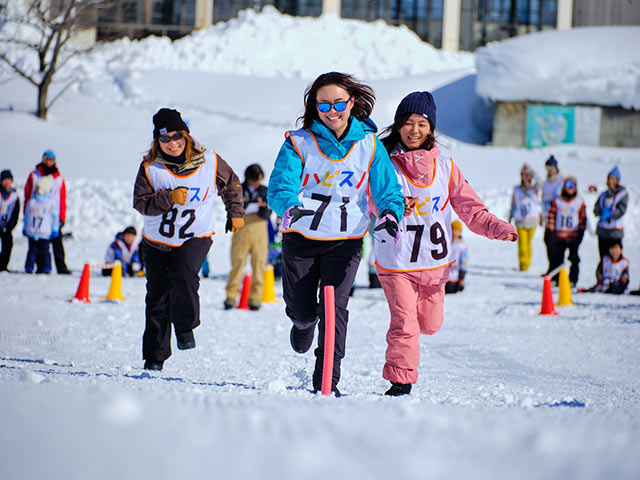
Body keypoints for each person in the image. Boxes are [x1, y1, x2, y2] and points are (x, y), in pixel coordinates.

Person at [267, 72, 405, 396]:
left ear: (352, 103)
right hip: (301, 240)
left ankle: (326, 382)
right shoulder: (299, 142)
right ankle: (302, 324)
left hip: (345, 242)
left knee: (334, 307)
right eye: (324, 104)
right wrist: (288, 206)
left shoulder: (369, 145)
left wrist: (389, 215)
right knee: (302, 310)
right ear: (314, 106)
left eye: (339, 103)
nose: (332, 110)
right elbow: (280, 185)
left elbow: (388, 190)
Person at [372, 91, 517, 396]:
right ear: (398, 125)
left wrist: (497, 228)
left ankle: (408, 355)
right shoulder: (383, 164)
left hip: (435, 265)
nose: (414, 130)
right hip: (396, 262)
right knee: (405, 324)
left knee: (430, 324)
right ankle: (401, 380)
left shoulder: (446, 166)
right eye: (408, 123)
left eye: (422, 124)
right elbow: (371, 199)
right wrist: (393, 205)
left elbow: (471, 209)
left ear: (431, 129)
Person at [133, 108, 244, 371]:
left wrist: (235, 212)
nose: (172, 143)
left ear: (186, 135)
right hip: (157, 241)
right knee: (157, 297)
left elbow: (231, 183)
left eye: (176, 136)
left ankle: (185, 327)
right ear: (157, 142)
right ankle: (155, 357)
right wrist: (168, 198)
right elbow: (140, 203)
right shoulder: (150, 167)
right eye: (165, 139)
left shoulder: (209, 160)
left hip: (195, 236)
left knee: (184, 274)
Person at [224, 163, 270, 311]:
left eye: (259, 180)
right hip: (242, 229)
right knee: (237, 263)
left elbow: (269, 212)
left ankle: (255, 298)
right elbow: (233, 206)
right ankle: (231, 296)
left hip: (259, 229)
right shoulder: (239, 189)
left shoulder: (264, 191)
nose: (257, 183)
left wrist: (264, 208)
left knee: (259, 263)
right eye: (255, 180)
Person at [24, 150, 71, 274]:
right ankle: (40, 267)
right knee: (38, 244)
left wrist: (61, 216)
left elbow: (62, 198)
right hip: (38, 213)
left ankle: (61, 267)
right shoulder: (34, 175)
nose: (48, 162)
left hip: (53, 214)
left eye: (51, 160)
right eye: (46, 159)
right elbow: (27, 195)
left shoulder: (59, 178)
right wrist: (26, 214)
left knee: (57, 243)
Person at [545, 176, 586, 286]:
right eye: (568, 185)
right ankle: (555, 278)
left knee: (574, 258)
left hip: (573, 236)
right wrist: (551, 231)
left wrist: (581, 233)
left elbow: (582, 219)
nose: (570, 189)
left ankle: (572, 280)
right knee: (557, 258)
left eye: (572, 186)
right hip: (559, 235)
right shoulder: (557, 201)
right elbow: (552, 216)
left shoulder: (579, 201)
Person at [509, 163, 542, 271]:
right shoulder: (517, 189)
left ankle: (527, 264)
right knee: (522, 244)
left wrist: (532, 172)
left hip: (532, 221)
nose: (526, 177)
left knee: (528, 244)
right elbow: (513, 204)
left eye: (528, 175)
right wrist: (510, 217)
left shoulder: (534, 189)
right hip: (520, 221)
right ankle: (523, 266)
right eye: (524, 174)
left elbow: (542, 183)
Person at [23, 175, 59, 274]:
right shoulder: (32, 202)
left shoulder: (50, 203)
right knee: (32, 251)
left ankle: (46, 268)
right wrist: (25, 227)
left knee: (45, 252)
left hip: (44, 232)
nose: (37, 189)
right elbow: (26, 216)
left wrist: (55, 229)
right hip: (32, 231)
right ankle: (29, 267)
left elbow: (55, 217)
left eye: (39, 187)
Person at [594, 166, 628, 260]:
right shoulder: (603, 195)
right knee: (603, 259)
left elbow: (622, 209)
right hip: (603, 232)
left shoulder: (622, 194)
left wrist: (610, 214)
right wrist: (600, 212)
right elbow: (596, 208)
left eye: (613, 179)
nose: (610, 181)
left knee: (614, 258)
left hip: (615, 232)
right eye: (609, 178)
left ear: (617, 180)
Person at [542, 156, 563, 274]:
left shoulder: (561, 181)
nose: (549, 170)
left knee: (554, 244)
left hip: (556, 219)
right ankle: (552, 268)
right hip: (547, 217)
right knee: (547, 241)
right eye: (547, 168)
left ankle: (557, 270)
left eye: (551, 168)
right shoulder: (546, 181)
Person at [0, 169, 20, 271]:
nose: (7, 182)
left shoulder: (14, 196)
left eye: (9, 180)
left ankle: (2, 266)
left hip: (6, 227)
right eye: (4, 180)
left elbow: (15, 215)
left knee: (7, 244)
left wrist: (9, 227)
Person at [445, 220, 468, 294]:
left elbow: (463, 263)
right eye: (453, 230)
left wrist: (461, 279)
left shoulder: (462, 247)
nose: (454, 232)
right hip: (443, 277)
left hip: (454, 279)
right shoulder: (445, 243)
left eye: (457, 230)